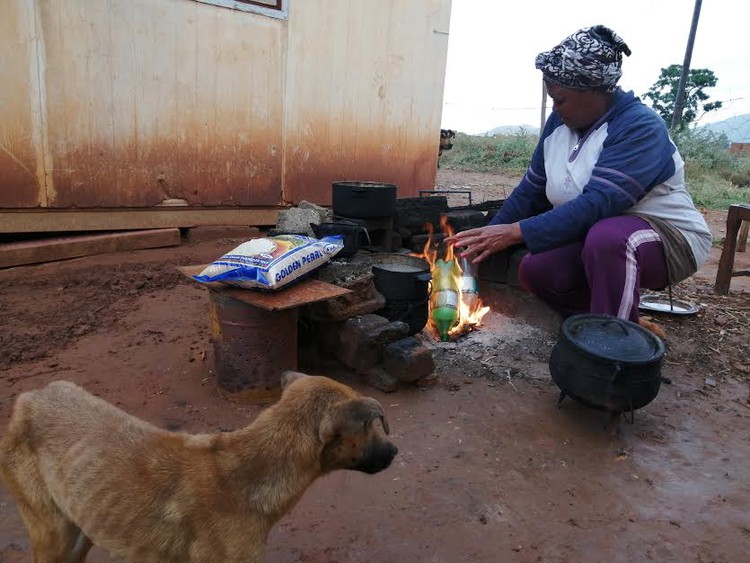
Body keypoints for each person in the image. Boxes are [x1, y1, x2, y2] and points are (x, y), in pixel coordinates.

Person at [445, 24, 712, 328]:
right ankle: (592, 325)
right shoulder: (559, 126)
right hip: (596, 237)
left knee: (609, 239)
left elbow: (599, 203)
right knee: (538, 270)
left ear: (597, 92)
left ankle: (616, 345)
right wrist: (484, 239)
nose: (556, 109)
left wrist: (515, 232)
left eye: (561, 99)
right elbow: (530, 192)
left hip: (666, 238)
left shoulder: (639, 127)